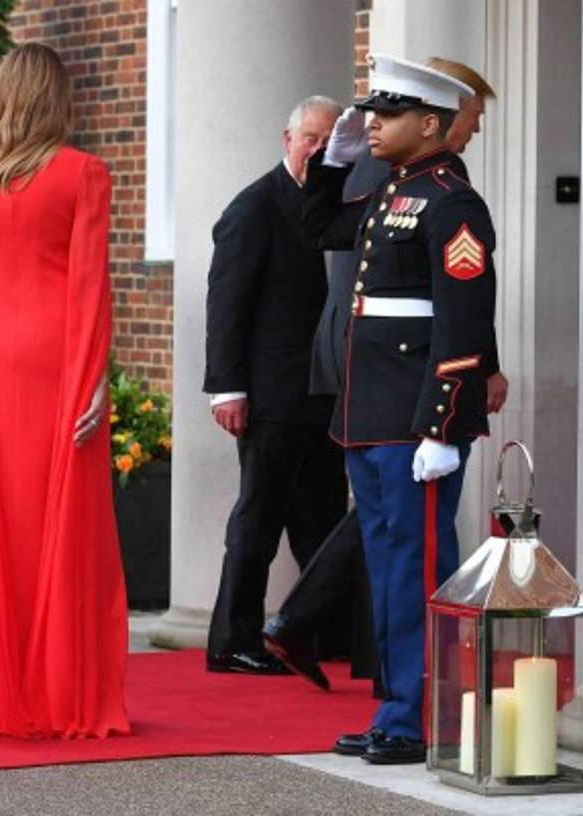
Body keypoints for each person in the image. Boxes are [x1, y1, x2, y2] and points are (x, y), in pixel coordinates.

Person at [264, 58, 505, 698]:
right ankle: (398, 707)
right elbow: (319, 229)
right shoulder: (394, 193)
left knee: (415, 567)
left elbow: (462, 319)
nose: (372, 124)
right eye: (372, 113)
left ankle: (421, 708)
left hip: (412, 416)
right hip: (370, 411)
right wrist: (333, 165)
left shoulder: (452, 203)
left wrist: (442, 424)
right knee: (385, 562)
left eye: (388, 114)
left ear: (429, 124)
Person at [0, 43, 130, 738]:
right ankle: (61, 693)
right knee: (63, 524)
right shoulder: (85, 174)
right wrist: (95, 377)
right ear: (58, 98)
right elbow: (89, 287)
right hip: (56, 359)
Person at [202, 96, 349, 675]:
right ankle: (232, 640)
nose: (317, 148)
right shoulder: (254, 207)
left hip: (325, 393)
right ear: (287, 138)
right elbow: (226, 304)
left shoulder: (339, 204)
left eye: (328, 140)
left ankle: (322, 632)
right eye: (309, 137)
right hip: (269, 395)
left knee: (322, 518)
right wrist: (227, 388)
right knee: (258, 520)